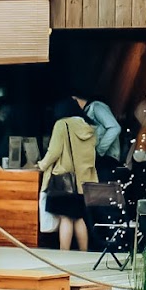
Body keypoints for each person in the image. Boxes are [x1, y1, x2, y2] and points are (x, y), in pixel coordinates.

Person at [38, 98, 98, 251]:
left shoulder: (62, 124)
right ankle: (84, 253)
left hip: (64, 180)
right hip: (84, 181)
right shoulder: (88, 128)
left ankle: (64, 254)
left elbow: (54, 151)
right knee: (78, 217)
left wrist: (41, 165)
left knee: (65, 218)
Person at [72, 92, 122, 180]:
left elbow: (115, 127)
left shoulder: (96, 107)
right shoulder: (86, 112)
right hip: (100, 160)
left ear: (75, 98)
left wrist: (99, 150)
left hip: (107, 160)